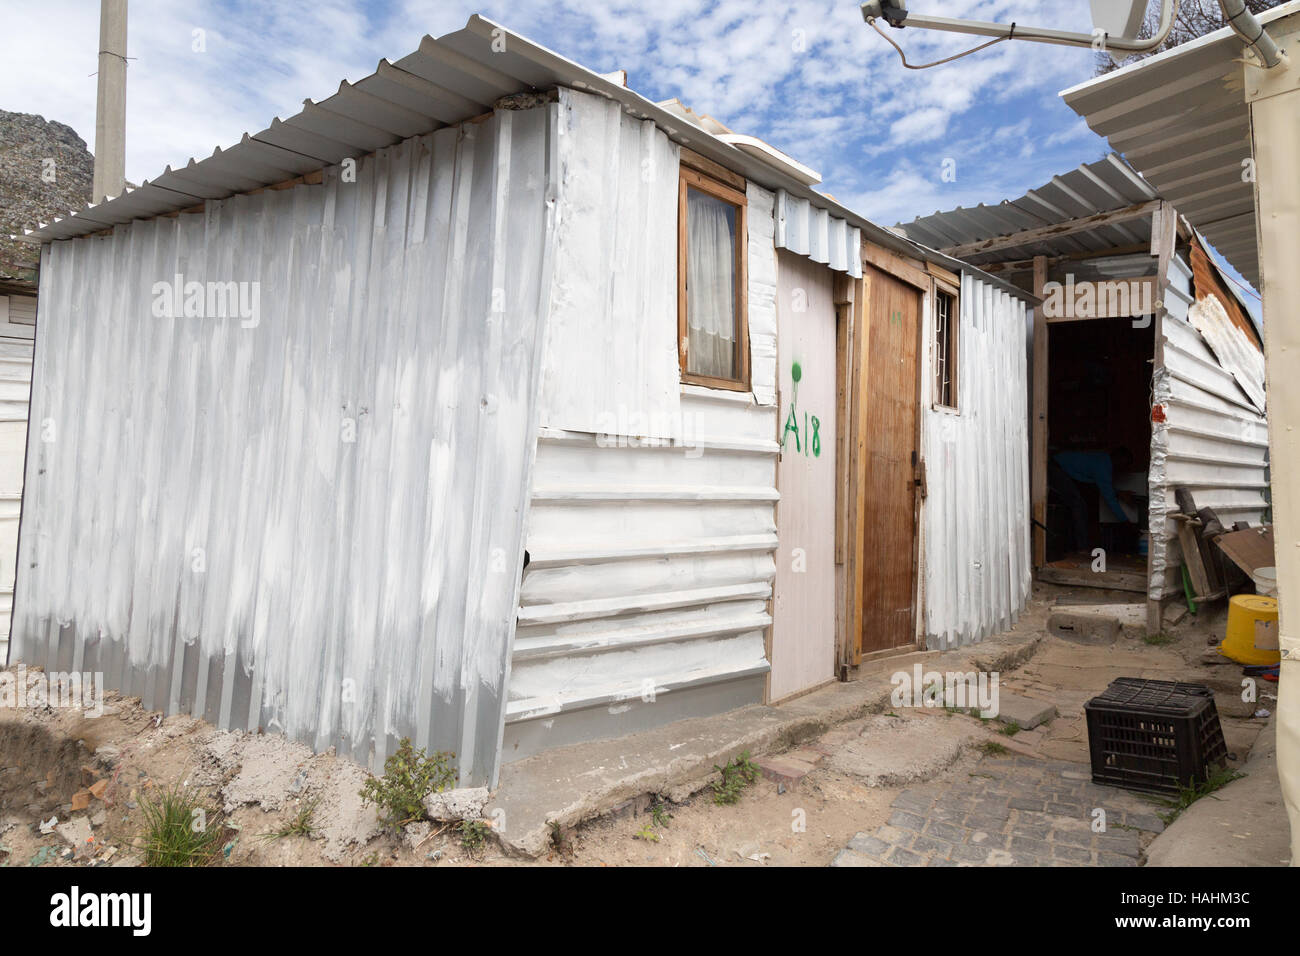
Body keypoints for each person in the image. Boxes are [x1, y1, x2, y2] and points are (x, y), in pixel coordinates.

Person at [1049, 448, 1134, 553]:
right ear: (1118, 459)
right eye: (1124, 464)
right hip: (1056, 468)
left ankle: (1077, 545)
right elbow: (1109, 498)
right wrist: (1125, 521)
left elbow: (1103, 485)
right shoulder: (1103, 467)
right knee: (1078, 506)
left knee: (1078, 506)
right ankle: (1082, 548)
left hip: (1058, 466)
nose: (1123, 468)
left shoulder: (1103, 460)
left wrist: (1118, 493)